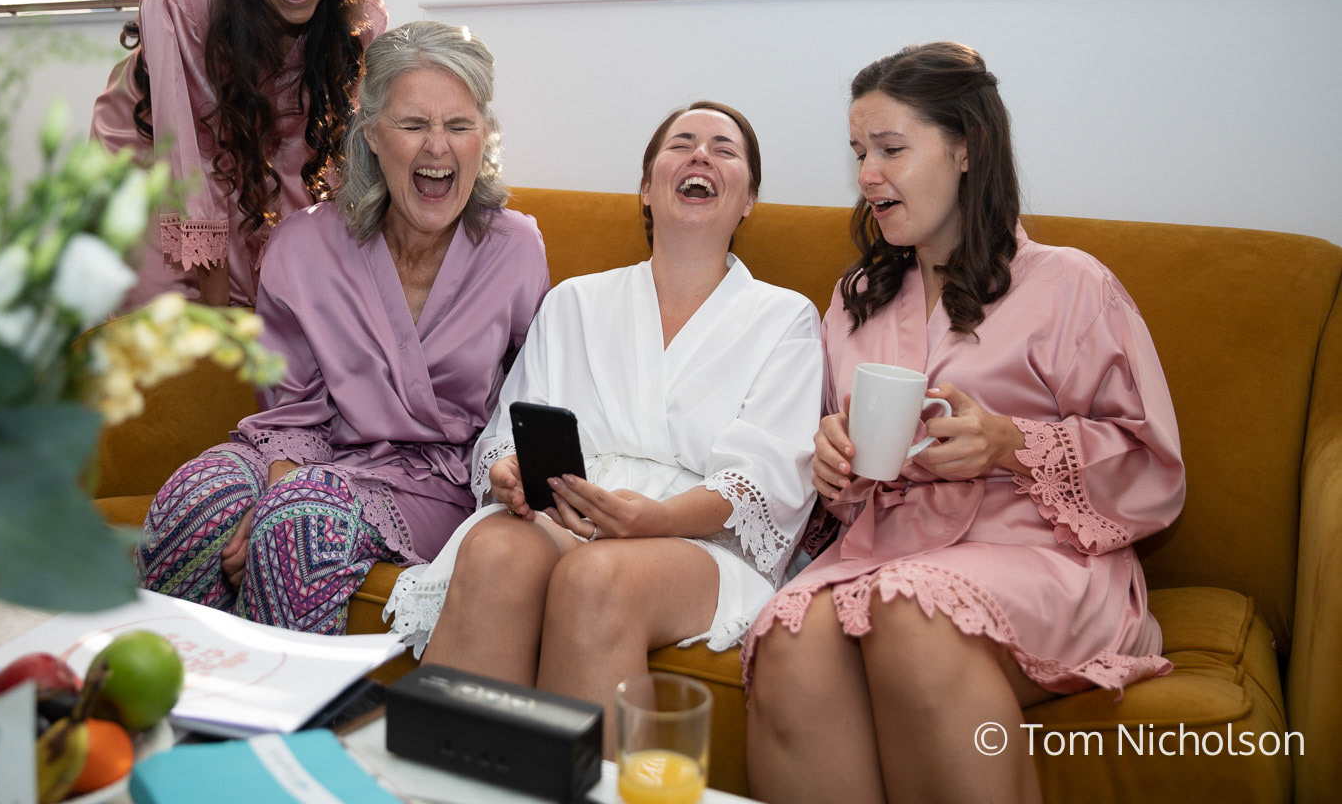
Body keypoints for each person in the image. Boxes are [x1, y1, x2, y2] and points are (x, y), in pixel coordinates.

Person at [743, 42, 1186, 804]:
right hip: (884, 551)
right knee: (788, 634)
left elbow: (1151, 468)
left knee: (911, 611)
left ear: (966, 148)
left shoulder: (1071, 285)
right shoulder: (857, 298)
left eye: (890, 149)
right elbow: (841, 461)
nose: (866, 176)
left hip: (1039, 556)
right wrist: (832, 463)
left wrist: (1013, 444)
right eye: (857, 152)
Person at [386, 101, 823, 752]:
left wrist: (654, 518)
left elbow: (764, 479)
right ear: (647, 188)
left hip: (697, 538)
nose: (701, 155)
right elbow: (513, 428)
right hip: (568, 511)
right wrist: (510, 473)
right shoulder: (576, 302)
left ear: (749, 200)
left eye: (724, 150)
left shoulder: (785, 319)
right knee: (496, 549)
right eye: (682, 143)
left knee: (599, 579)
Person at [134, 21, 549, 634]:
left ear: (483, 135)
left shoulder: (515, 247)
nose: (438, 147)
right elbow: (289, 407)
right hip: (309, 451)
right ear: (373, 134)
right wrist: (281, 482)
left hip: (432, 481)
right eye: (413, 125)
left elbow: (530, 399)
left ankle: (285, 719)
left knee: (306, 520)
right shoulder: (304, 244)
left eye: (458, 125)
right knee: (198, 498)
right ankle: (179, 703)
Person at [91, 0, 388, 309]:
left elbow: (352, 156)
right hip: (161, 150)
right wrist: (215, 318)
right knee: (171, 318)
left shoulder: (360, 20)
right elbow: (194, 158)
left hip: (274, 155)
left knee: (285, 307)